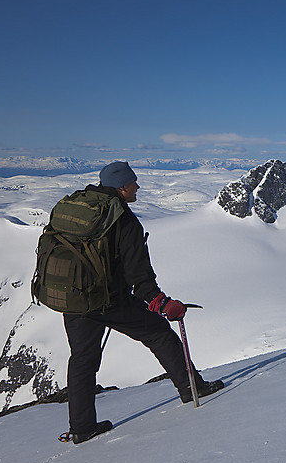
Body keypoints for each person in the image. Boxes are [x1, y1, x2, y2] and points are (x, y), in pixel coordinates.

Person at [62, 161, 223, 444]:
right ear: (122, 187)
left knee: (82, 360)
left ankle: (82, 427)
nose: (138, 187)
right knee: (158, 333)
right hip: (108, 299)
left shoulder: (80, 207)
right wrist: (162, 304)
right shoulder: (123, 220)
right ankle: (191, 388)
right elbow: (139, 276)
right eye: (134, 182)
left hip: (72, 297)